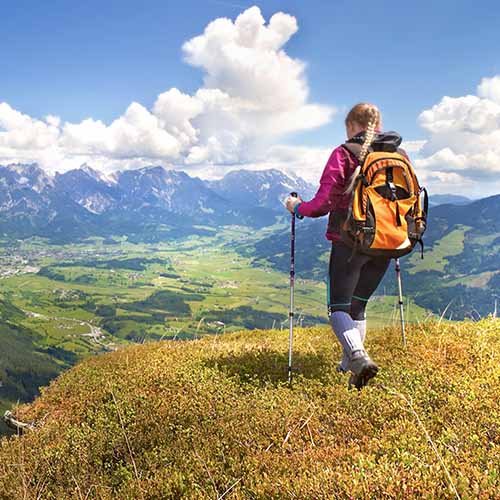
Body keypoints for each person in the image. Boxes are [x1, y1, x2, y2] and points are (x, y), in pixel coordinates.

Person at [285, 102, 407, 390]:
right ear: (377, 125)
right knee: (358, 306)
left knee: (338, 308)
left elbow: (323, 203)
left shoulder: (344, 154)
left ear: (352, 126)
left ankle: (358, 358)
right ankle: (349, 368)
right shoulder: (399, 155)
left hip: (350, 242)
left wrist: (296, 207)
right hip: (389, 242)